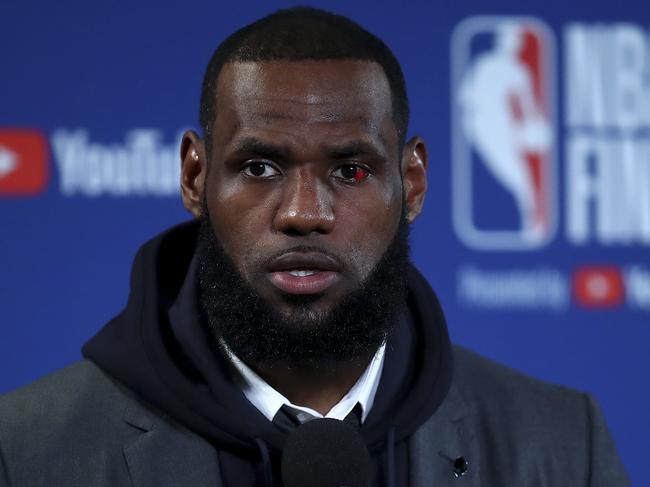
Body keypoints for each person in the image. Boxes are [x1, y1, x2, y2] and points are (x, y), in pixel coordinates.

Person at [0, 7, 629, 487]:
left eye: (351, 171)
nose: (304, 213)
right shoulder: (25, 450)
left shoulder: (566, 445)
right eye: (260, 168)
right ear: (195, 177)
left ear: (411, 183)